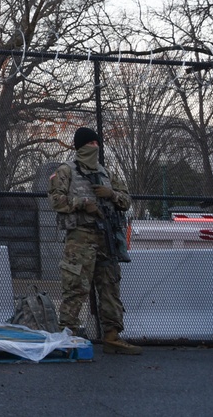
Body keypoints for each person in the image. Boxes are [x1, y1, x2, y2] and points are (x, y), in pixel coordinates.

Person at [48, 127, 141, 355]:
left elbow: (127, 201)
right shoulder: (66, 171)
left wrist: (112, 195)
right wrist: (82, 203)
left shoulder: (107, 173)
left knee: (109, 286)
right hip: (80, 238)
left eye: (97, 144)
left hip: (106, 237)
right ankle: (66, 335)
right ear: (81, 146)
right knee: (75, 287)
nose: (95, 148)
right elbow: (56, 201)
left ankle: (112, 336)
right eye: (91, 143)